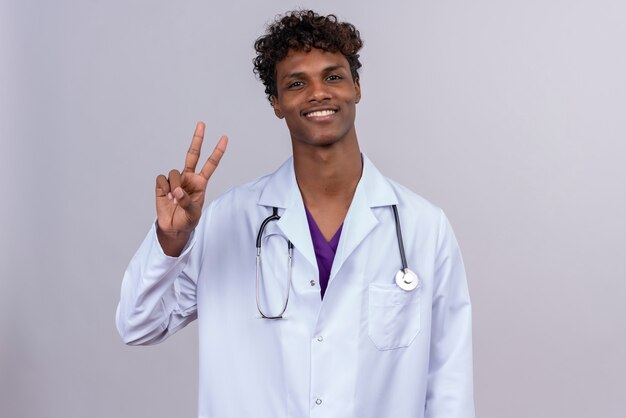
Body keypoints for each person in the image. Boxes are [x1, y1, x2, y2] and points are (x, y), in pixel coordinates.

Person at [116, 9, 475, 418]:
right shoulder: (228, 220)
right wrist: (171, 242)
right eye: (297, 83)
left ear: (357, 88)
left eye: (333, 77)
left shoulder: (422, 227)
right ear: (276, 103)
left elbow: (449, 386)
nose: (318, 93)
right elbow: (137, 325)